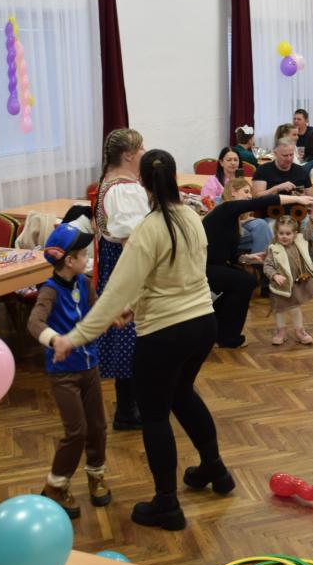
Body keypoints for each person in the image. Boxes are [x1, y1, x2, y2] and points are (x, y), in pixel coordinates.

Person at [52, 149, 229, 531]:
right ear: (174, 179)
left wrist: (74, 338)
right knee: (182, 394)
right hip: (203, 324)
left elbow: (113, 293)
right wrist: (134, 304)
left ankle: (167, 503)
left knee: (155, 415)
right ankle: (214, 469)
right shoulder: (192, 217)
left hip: (165, 334)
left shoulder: (147, 230)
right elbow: (178, 276)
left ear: (142, 183)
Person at [27, 222, 111, 518]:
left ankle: (96, 474)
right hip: (64, 373)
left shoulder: (83, 283)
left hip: (90, 367)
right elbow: (34, 323)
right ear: (69, 260)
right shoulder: (49, 291)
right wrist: (55, 340)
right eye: (83, 254)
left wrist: (113, 316)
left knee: (97, 427)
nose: (87, 258)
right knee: (76, 431)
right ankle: (56, 485)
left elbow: (97, 311)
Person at [203, 178, 313, 348]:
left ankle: (217, 331)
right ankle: (228, 337)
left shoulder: (232, 220)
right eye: (246, 192)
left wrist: (249, 258)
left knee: (244, 281)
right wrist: (298, 199)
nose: (249, 196)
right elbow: (263, 201)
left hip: (214, 266)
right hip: (203, 268)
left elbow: (232, 256)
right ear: (233, 192)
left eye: (250, 193)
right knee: (245, 282)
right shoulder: (226, 208)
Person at [93, 127, 149, 432]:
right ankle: (128, 409)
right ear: (128, 155)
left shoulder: (112, 181)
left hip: (115, 262)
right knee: (130, 334)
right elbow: (133, 242)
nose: (144, 154)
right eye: (141, 149)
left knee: (128, 335)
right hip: (125, 264)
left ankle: (132, 404)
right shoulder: (124, 189)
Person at [251, 140, 313, 262]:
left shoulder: (301, 171)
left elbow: (311, 199)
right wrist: (277, 188)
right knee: (269, 238)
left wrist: (303, 196)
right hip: (273, 218)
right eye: (285, 155)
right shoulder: (263, 170)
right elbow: (257, 197)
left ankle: (308, 265)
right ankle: (275, 267)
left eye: (291, 155)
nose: (289, 159)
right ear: (275, 153)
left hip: (298, 217)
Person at [263, 216, 313, 346]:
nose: (284, 236)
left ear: (295, 234)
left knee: (295, 308)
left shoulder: (299, 242)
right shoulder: (273, 249)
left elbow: (308, 232)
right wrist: (275, 275)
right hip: (280, 286)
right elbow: (267, 266)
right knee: (280, 309)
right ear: (276, 233)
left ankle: (300, 331)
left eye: (288, 233)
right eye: (281, 233)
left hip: (295, 284)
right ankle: (281, 331)